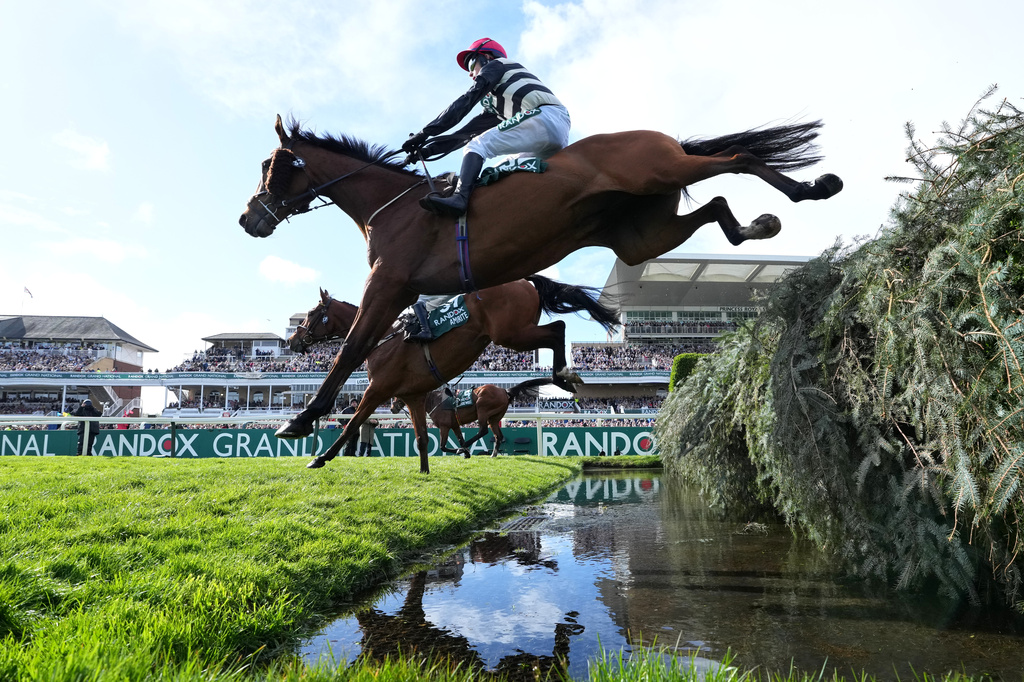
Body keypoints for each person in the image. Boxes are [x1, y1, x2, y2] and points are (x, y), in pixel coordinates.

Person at [401, 37, 570, 217]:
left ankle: (460, 198)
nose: (470, 73)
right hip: (549, 133)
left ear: (487, 57)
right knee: (494, 173)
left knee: (476, 146)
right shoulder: (496, 103)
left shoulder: (497, 65)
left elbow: (466, 101)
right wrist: (427, 151)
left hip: (546, 117)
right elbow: (465, 134)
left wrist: (424, 133)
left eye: (471, 63)